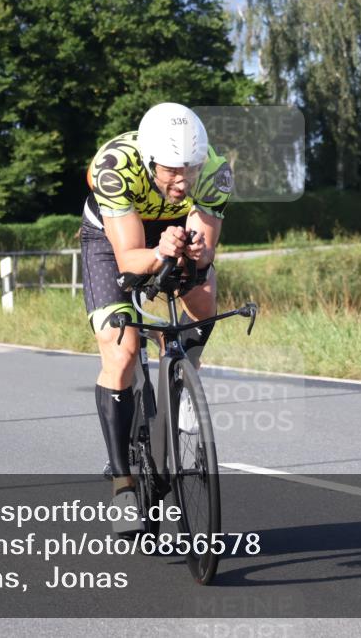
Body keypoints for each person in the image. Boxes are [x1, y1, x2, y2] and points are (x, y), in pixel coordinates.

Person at [80, 103, 233, 531]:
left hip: (173, 231)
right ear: (150, 162)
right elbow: (129, 257)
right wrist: (158, 252)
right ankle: (123, 485)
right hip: (114, 237)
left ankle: (182, 374)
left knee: (202, 300)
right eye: (171, 171)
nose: (183, 181)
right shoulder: (114, 166)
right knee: (123, 350)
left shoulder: (216, 171)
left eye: (191, 169)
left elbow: (206, 245)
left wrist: (198, 253)